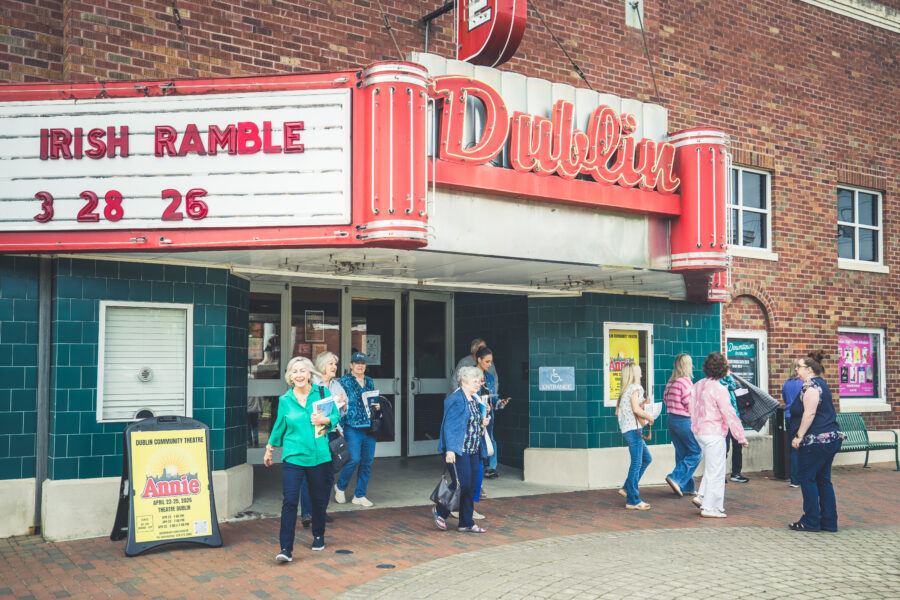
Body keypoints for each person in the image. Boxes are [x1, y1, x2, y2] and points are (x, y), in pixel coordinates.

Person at [265, 356, 339, 563]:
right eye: (294, 371)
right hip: (293, 457)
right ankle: (286, 549)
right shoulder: (285, 400)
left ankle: (318, 534)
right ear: (290, 376)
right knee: (289, 501)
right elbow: (279, 426)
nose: (298, 375)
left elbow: (336, 417)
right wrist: (269, 449)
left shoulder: (321, 393)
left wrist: (325, 419)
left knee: (318, 499)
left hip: (318, 456)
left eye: (302, 371)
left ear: (309, 374)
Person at [789, 351, 847, 532]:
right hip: (830, 439)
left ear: (808, 369)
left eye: (798, 367)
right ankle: (829, 522)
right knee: (823, 479)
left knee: (807, 478)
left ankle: (811, 521)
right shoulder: (822, 384)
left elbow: (810, 413)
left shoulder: (811, 387)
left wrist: (799, 436)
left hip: (817, 441)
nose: (796, 369)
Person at [432, 366, 491, 533]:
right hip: (458, 450)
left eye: (479, 381)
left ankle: (466, 522)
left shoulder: (474, 399)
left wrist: (482, 423)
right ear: (463, 382)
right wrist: (450, 450)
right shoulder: (456, 400)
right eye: (475, 381)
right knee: (462, 484)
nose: (478, 384)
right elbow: (450, 427)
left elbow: (471, 423)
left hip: (473, 449)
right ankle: (440, 510)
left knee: (471, 486)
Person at [690, 352, 748, 518]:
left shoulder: (698, 385)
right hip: (714, 433)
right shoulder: (719, 389)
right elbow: (730, 414)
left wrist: (695, 427)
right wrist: (740, 437)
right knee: (716, 471)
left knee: (711, 468)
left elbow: (691, 409)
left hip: (700, 432)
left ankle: (702, 497)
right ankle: (710, 507)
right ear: (723, 369)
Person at [295, 351, 348, 528]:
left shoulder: (337, 385)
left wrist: (344, 405)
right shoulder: (312, 384)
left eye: (335, 364)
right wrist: (333, 401)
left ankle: (320, 511)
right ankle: (307, 513)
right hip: (314, 435)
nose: (334, 367)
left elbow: (341, 413)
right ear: (322, 365)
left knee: (327, 476)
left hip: (331, 433)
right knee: (309, 474)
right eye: (331, 364)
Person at [334, 352, 379, 507]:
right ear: (351, 365)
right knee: (353, 459)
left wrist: (377, 405)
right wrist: (339, 426)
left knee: (367, 461)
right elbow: (339, 404)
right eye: (356, 363)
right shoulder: (344, 382)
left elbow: (372, 400)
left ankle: (360, 495)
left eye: (363, 363)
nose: (360, 365)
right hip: (352, 426)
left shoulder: (369, 381)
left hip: (369, 427)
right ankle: (340, 486)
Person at [616, 362, 655, 510]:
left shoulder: (624, 391)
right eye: (639, 372)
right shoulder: (635, 388)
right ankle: (633, 500)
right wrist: (649, 417)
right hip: (634, 430)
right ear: (633, 374)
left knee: (646, 459)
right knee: (637, 463)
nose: (641, 375)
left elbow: (618, 412)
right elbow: (635, 409)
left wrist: (643, 403)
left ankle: (627, 488)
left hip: (627, 430)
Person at [663, 353, 701, 497]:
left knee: (682, 453)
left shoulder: (671, 382)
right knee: (696, 452)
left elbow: (666, 400)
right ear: (686, 365)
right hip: (684, 420)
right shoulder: (685, 382)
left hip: (671, 419)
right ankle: (675, 478)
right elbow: (689, 403)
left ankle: (687, 487)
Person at [475, 346, 510, 479]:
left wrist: (499, 403)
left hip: (488, 414)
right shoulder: (470, 375)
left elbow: (493, 397)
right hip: (476, 413)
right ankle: (477, 467)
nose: (490, 364)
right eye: (487, 361)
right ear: (479, 359)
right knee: (476, 440)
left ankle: (491, 468)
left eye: (491, 361)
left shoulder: (489, 377)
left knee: (490, 438)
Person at [720, 369, 750, 483]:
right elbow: (730, 386)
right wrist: (728, 377)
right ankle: (721, 474)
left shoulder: (730, 381)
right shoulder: (719, 382)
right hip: (725, 420)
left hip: (735, 418)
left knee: (738, 446)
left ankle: (736, 473)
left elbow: (735, 387)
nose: (728, 371)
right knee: (725, 447)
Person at [782, 359, 804, 488]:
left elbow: (785, 399)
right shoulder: (803, 383)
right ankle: (802, 477)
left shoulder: (786, 383)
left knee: (793, 449)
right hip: (801, 418)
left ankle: (794, 480)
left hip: (789, 416)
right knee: (804, 448)